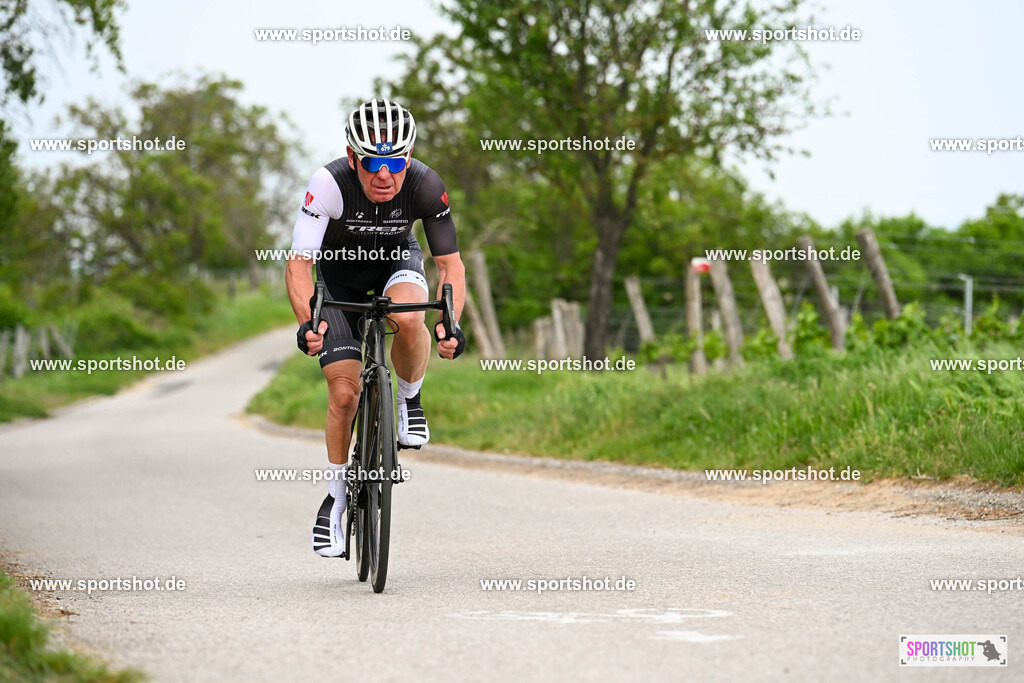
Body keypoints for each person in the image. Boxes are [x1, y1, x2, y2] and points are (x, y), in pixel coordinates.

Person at [284, 99, 466, 557]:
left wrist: (453, 325)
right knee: (344, 394)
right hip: (337, 284)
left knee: (409, 317)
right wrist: (307, 321)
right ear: (352, 158)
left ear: (408, 158)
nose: (384, 175)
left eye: (395, 162)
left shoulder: (426, 185)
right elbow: (300, 264)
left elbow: (450, 265)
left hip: (395, 267)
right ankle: (336, 498)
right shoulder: (327, 184)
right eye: (372, 163)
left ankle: (409, 399)